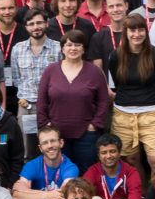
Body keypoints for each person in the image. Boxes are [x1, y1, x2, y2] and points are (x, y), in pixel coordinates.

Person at [38, 30, 110, 173]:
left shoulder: (94, 72)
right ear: (62, 48)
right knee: (59, 172)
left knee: (87, 172)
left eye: (78, 45)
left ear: (84, 49)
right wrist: (45, 125)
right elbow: (42, 100)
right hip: (56, 135)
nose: (73, 48)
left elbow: (103, 101)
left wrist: (94, 125)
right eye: (69, 45)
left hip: (86, 135)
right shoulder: (50, 71)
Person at [107, 15, 155, 175]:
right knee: (131, 159)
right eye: (132, 30)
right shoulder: (116, 56)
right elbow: (116, 84)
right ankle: (141, 193)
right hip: (123, 115)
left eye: (141, 29)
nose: (137, 34)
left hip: (151, 114)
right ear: (125, 33)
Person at [11, 8, 61, 156]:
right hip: (26, 107)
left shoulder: (58, 48)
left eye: (39, 22)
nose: (36, 27)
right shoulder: (17, 49)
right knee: (27, 149)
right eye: (31, 23)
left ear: (46, 24)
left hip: (51, 107)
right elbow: (16, 78)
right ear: (26, 27)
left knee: (52, 146)